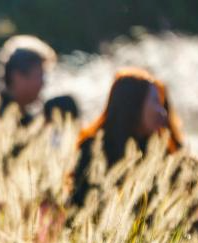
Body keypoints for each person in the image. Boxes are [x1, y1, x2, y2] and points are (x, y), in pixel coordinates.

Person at [68, 67, 185, 210]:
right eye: (155, 101)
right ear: (134, 104)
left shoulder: (158, 151)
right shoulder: (93, 149)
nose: (163, 112)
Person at [0, 35, 57, 157]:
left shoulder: (25, 118)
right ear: (18, 77)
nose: (43, 83)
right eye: (39, 76)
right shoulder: (0, 124)